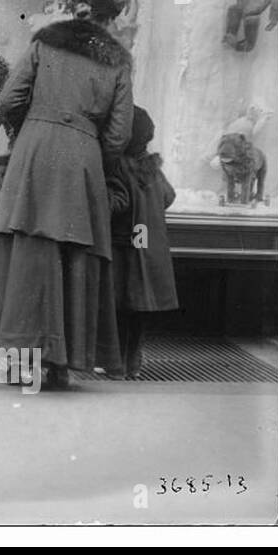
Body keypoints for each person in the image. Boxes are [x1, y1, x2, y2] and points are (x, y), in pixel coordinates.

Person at [0, 0, 133, 389]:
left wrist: (31, 136)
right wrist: (92, 161)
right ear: (110, 20)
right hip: (83, 159)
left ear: (75, 11)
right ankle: (61, 364)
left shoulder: (43, 43)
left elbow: (8, 100)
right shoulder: (119, 62)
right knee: (73, 255)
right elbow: (119, 133)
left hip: (35, 150)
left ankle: (15, 358)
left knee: (24, 250)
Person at [105, 105, 179, 379]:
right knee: (137, 312)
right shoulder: (152, 167)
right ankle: (132, 364)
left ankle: (116, 365)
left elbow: (118, 203)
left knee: (118, 307)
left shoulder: (117, 165)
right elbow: (169, 196)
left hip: (124, 247)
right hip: (145, 248)